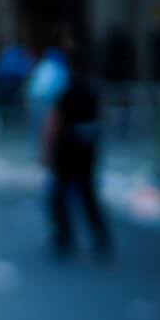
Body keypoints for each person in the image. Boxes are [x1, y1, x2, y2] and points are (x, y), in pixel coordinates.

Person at [43, 45, 113, 260]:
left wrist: (48, 151)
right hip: (85, 151)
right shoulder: (91, 91)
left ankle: (64, 236)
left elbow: (54, 123)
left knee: (61, 196)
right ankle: (99, 236)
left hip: (67, 152)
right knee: (87, 195)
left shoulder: (66, 92)